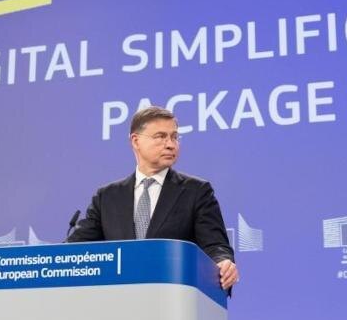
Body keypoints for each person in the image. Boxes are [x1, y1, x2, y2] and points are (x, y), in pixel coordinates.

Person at [68, 106, 239, 290]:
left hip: (171, 296)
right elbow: (73, 252)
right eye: (160, 136)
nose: (171, 144)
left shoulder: (196, 191)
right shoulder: (107, 197)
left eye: (174, 137)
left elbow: (215, 246)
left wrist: (223, 262)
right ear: (135, 141)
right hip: (116, 297)